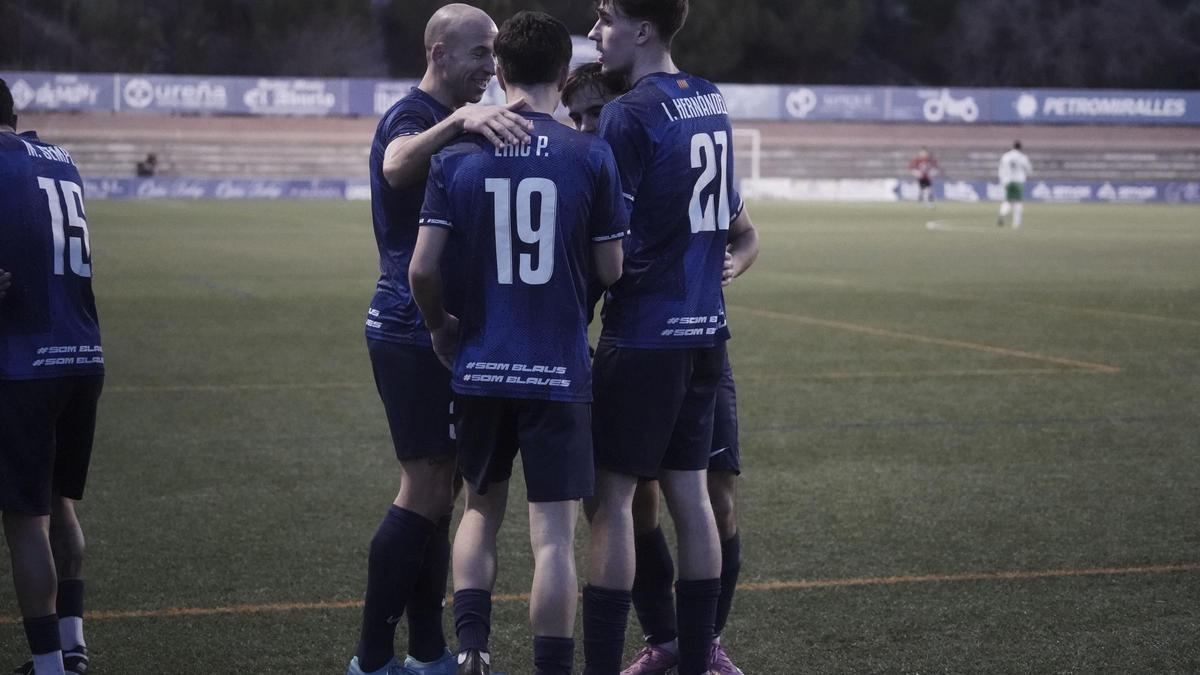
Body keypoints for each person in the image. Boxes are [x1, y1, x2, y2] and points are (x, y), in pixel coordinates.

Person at [409, 13, 626, 674]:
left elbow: (422, 268)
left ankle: (472, 646)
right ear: (565, 74)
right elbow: (613, 269)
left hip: (481, 362)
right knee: (554, 537)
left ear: (498, 72)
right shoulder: (591, 154)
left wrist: (440, 326)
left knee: (478, 509)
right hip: (558, 369)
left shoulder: (456, 155)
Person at [349, 5, 536, 675]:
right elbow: (397, 165)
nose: (491, 65)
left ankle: (426, 649)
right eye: (480, 53)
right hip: (413, 327)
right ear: (437, 54)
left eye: (495, 54)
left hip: (443, 328)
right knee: (425, 486)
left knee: (442, 488)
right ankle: (371, 657)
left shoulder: (461, 118)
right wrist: (457, 121)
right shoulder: (413, 115)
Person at [582, 3, 760, 675]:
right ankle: (693, 659)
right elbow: (725, 218)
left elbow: (610, 249)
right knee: (690, 498)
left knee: (612, 502)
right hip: (705, 333)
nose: (596, 33)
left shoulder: (631, 113)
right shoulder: (708, 99)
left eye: (605, 17)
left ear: (644, 28)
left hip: (646, 333)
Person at [1, 77, 104, 675]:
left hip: (24, 361)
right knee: (61, 504)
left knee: (23, 520)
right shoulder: (61, 159)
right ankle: (72, 646)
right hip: (82, 354)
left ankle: (46, 667)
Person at [998, 141, 1032, 228]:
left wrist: (1003, 179)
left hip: (1007, 181)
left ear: (1013, 147)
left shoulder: (1006, 156)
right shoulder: (1022, 157)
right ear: (1020, 148)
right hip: (1018, 182)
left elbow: (1001, 168)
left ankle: (1002, 213)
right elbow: (1028, 169)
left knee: (1007, 200)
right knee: (1017, 202)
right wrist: (1028, 174)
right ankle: (1016, 223)